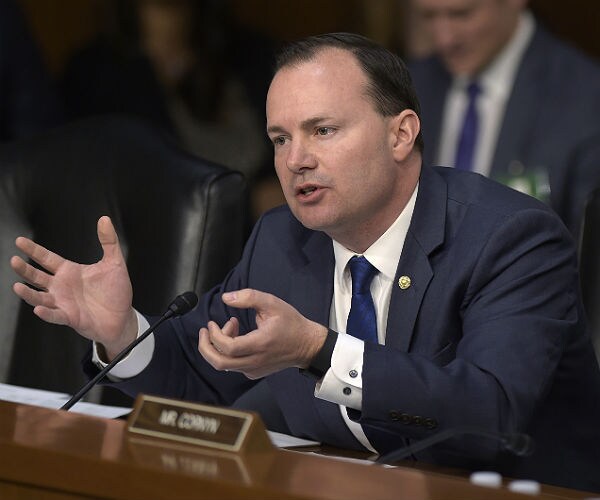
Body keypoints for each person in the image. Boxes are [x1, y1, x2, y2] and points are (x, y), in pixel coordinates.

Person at [10, 33, 600, 493]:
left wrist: (319, 350)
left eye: (322, 130)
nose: (296, 160)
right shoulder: (282, 240)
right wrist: (124, 333)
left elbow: (491, 415)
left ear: (401, 135)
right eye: (280, 139)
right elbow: (203, 375)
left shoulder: (509, 238)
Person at [406, 0, 600, 238]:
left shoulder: (585, 96)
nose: (444, 39)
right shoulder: (408, 86)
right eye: (429, 16)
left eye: (461, 15)